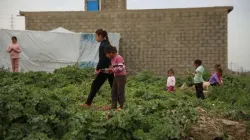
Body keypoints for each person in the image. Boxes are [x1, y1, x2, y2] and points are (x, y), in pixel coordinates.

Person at [81, 29, 114, 107]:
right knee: (114, 86)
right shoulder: (107, 43)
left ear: (100, 36)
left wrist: (98, 68)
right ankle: (117, 105)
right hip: (111, 68)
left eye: (96, 36)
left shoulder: (103, 45)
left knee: (95, 85)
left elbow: (103, 59)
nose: (95, 38)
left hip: (105, 69)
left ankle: (88, 103)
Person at [105, 46, 126, 110]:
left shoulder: (118, 57)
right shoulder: (112, 59)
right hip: (116, 76)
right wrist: (110, 69)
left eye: (107, 54)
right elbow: (115, 67)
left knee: (120, 92)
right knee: (114, 91)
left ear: (111, 53)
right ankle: (113, 106)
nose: (106, 55)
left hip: (121, 77)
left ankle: (123, 106)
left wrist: (112, 70)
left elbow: (121, 68)